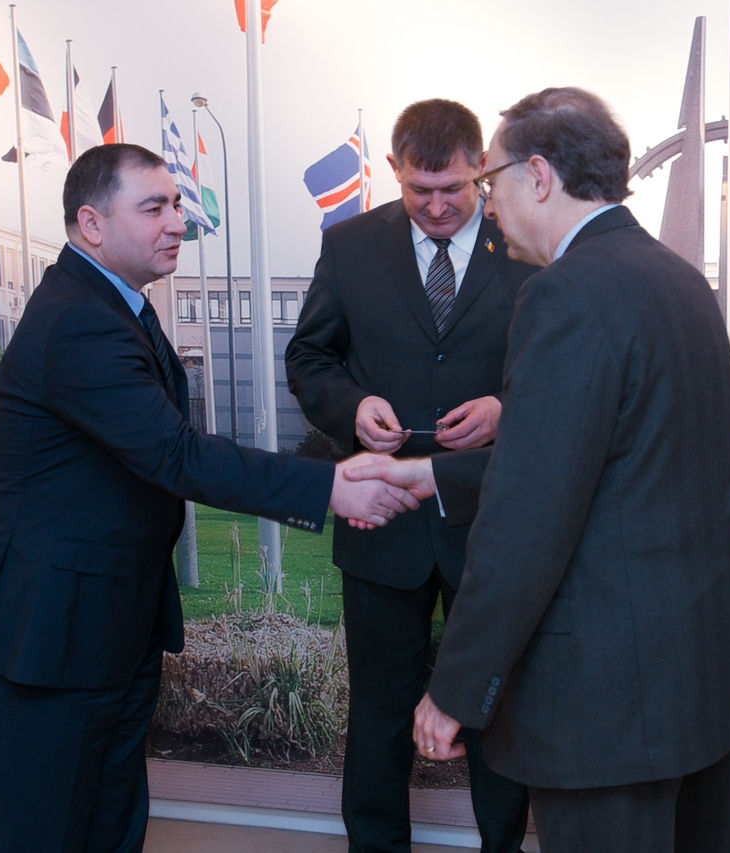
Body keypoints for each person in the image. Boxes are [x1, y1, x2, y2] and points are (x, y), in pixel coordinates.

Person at [348, 87, 730, 853]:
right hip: (699, 676)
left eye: (490, 182)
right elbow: (618, 464)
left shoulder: (565, 295)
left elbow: (532, 519)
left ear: (537, 175)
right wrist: (435, 477)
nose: (490, 205)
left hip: (612, 695)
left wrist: (452, 691)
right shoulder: (681, 281)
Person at [0, 142, 412, 852]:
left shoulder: (119, 308)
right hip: (54, 635)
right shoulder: (79, 321)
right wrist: (330, 485)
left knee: (109, 827)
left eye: (177, 204)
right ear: (91, 223)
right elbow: (173, 454)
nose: (178, 221)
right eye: (155, 207)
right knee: (48, 832)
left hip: (106, 627)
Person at [285, 99, 533, 852]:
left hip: (491, 520)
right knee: (381, 713)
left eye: (452, 189)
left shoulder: (526, 245)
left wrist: (504, 406)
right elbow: (309, 359)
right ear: (393, 169)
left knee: (498, 707)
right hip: (380, 515)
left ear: (481, 174)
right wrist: (353, 408)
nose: (434, 206)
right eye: (419, 189)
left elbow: (566, 374)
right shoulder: (350, 244)